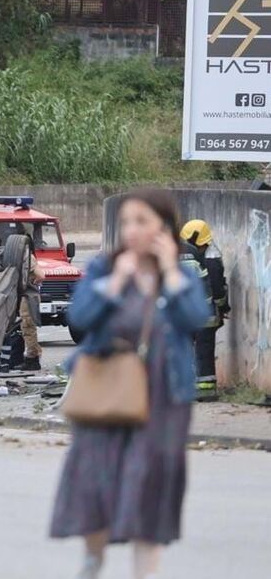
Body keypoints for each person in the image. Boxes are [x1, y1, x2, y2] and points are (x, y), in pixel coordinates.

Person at [50, 189, 210, 579]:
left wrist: (171, 273)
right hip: (108, 389)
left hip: (163, 396)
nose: (132, 230)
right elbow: (81, 316)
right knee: (97, 480)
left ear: (163, 228)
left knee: (150, 488)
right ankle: (94, 557)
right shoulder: (106, 268)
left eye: (142, 221)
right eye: (126, 222)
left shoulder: (181, 273)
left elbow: (195, 317)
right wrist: (118, 281)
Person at [180, 219, 230, 399]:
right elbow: (217, 288)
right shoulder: (211, 256)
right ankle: (206, 391)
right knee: (204, 351)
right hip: (205, 313)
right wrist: (223, 305)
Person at [20, 244, 45, 371]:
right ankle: (30, 355)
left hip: (29, 296)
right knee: (24, 326)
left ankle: (33, 359)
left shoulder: (27, 257)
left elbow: (41, 275)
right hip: (24, 295)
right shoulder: (21, 255)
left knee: (28, 325)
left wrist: (30, 285)